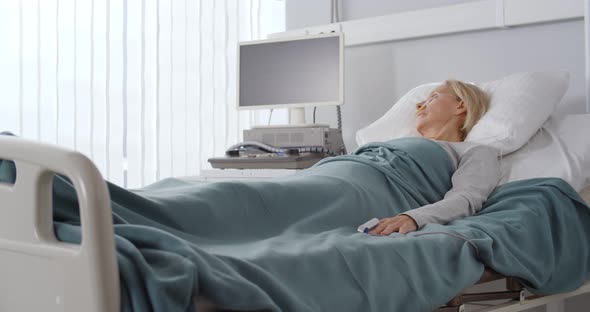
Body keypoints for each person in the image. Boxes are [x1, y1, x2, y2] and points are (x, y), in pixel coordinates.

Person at [369, 80, 500, 236]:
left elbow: (466, 198)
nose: (419, 105)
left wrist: (414, 218)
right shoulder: (394, 143)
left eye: (433, 97)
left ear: (460, 106)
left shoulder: (475, 151)